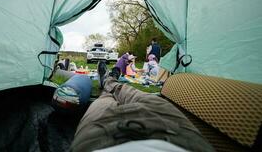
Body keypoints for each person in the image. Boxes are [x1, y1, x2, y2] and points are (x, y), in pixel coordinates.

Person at [70, 61, 214, 152]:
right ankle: (111, 80)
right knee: (132, 93)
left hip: (97, 138)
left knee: (104, 98)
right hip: (176, 132)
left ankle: (107, 81)